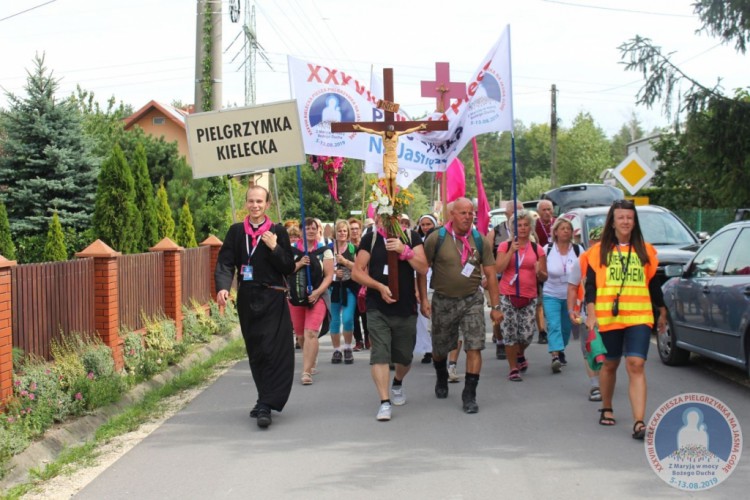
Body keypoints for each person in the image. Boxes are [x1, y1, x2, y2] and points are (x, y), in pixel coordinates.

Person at [583, 199, 667, 440]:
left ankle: (639, 422)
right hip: (609, 317)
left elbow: (652, 283)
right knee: (610, 364)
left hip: (639, 316)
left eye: (629, 217)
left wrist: (662, 310)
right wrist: (591, 314)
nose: (625, 221)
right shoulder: (598, 252)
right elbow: (590, 286)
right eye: (621, 217)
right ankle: (607, 407)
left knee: (636, 364)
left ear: (634, 221)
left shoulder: (646, 251)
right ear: (612, 221)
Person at [215, 185, 295, 429]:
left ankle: (267, 405)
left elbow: (288, 267)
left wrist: (275, 247)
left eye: (259, 201)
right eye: (251, 201)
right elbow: (226, 262)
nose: (255, 205)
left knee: (272, 350)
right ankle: (263, 398)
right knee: (256, 351)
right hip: (248, 299)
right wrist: (223, 286)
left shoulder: (277, 231)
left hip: (272, 297)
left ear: (267, 204)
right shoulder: (236, 231)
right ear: (246, 203)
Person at [420, 198, 502, 413]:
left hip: (472, 300)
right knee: (439, 348)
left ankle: (470, 394)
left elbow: (491, 274)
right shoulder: (436, 238)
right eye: (463, 213)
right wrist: (422, 299)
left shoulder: (480, 240)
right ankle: (441, 376)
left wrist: (495, 306)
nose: (468, 216)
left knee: (474, 345)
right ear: (452, 215)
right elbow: (421, 269)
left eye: (471, 213)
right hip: (443, 300)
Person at [351, 214, 428, 421]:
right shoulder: (371, 239)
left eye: (394, 218)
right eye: (382, 217)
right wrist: (378, 286)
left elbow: (423, 268)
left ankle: (398, 382)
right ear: (377, 218)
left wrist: (405, 251)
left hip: (405, 307)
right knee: (380, 354)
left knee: (405, 357)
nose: (387, 221)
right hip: (377, 307)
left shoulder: (411, 237)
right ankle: (384, 402)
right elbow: (357, 272)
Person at [496, 210, 548, 381]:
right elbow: (498, 269)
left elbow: (544, 276)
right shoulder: (505, 246)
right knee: (509, 333)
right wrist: (511, 251)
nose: (523, 228)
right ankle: (513, 368)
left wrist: (539, 272)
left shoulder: (537, 249)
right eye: (519, 225)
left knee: (526, 335)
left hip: (529, 296)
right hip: (508, 295)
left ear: (531, 228)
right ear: (513, 228)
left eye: (526, 225)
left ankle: (520, 354)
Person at [290, 218, 334, 386]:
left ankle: (306, 371)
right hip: (296, 297)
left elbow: (329, 276)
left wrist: (317, 293)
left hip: (318, 296)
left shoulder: (325, 251)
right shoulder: (292, 250)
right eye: (306, 228)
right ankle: (310, 358)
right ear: (301, 231)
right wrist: (300, 263)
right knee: (300, 335)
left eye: (313, 228)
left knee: (311, 333)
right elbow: (286, 270)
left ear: (318, 230)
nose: (310, 231)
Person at [542, 218, 583, 374]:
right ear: (556, 232)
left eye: (568, 228)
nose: (566, 231)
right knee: (554, 325)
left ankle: (560, 349)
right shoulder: (547, 249)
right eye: (562, 228)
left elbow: (585, 272)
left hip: (571, 297)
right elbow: (541, 271)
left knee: (566, 329)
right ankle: (555, 357)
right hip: (551, 293)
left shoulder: (579, 250)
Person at [568, 226, 603, 402]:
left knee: (606, 350)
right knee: (589, 349)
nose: (599, 245)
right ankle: (595, 384)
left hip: (610, 314)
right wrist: (571, 309)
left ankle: (604, 379)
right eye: (596, 242)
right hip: (585, 313)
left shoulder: (615, 259)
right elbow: (573, 287)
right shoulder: (582, 260)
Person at [487, 200, 523, 359]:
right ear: (507, 214)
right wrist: (484, 276)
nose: (519, 216)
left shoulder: (527, 233)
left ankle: (516, 344)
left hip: (520, 280)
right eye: (515, 212)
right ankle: (500, 339)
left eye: (522, 212)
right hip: (497, 278)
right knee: (497, 310)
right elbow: (486, 256)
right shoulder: (495, 232)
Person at [352, 123, 427, 199]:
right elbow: (372, 131)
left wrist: (419, 127)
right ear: (387, 131)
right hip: (386, 156)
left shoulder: (396, 134)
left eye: (392, 132)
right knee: (387, 176)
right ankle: (386, 193)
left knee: (393, 176)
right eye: (389, 132)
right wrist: (360, 128)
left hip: (394, 156)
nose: (390, 133)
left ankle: (392, 195)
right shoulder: (383, 134)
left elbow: (407, 131)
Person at [329, 219, 358, 365]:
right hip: (333, 288)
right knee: (334, 320)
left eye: (344, 231)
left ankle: (347, 347)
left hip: (349, 287)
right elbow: (322, 269)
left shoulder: (352, 248)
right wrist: (334, 272)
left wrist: (345, 262)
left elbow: (358, 268)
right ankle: (336, 349)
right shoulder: (328, 248)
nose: (342, 233)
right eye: (339, 230)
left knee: (347, 318)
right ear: (335, 232)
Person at [415, 214, 438, 364]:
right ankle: (427, 350)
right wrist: (416, 289)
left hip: (437, 283)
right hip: (423, 283)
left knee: (437, 320)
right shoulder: (417, 243)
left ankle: (438, 349)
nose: (425, 227)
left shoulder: (439, 241)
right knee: (424, 320)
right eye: (423, 224)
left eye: (428, 224)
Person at [535, 200, 556, 345]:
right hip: (539, 266)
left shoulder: (558, 224)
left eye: (549, 209)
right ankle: (542, 331)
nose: (547, 212)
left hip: (555, 267)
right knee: (540, 301)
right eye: (544, 210)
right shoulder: (534, 225)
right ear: (539, 212)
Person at [347, 218, 368, 352]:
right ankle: (358, 340)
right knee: (353, 314)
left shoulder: (366, 244)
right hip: (350, 284)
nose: (354, 231)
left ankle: (368, 338)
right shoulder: (346, 246)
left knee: (365, 313)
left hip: (365, 283)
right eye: (352, 228)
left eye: (356, 228)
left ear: (360, 230)